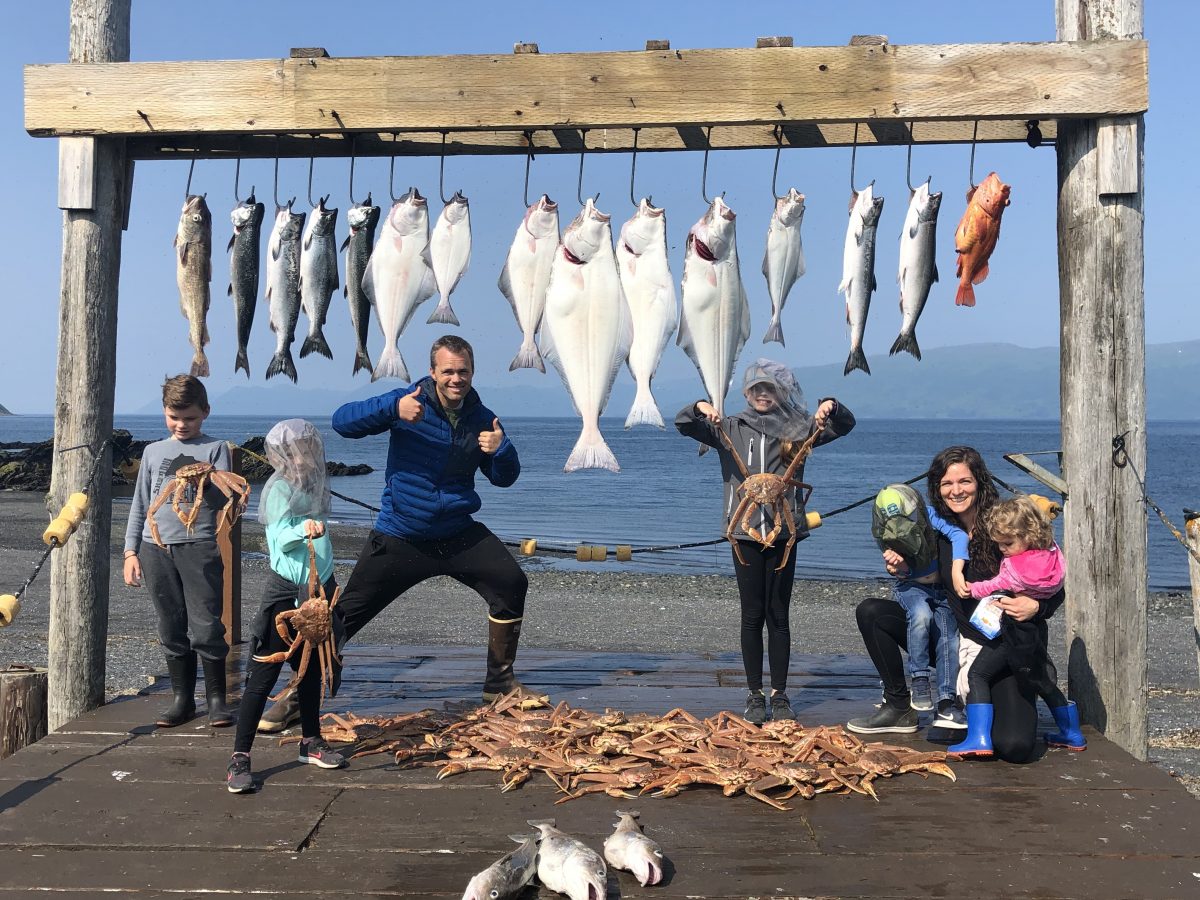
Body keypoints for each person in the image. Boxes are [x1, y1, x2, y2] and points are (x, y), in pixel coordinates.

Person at [258, 335, 527, 731]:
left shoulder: (483, 419)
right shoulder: (408, 401)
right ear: (433, 372)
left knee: (511, 581)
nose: (456, 378)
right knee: (339, 618)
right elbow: (342, 422)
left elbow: (504, 479)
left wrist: (500, 450)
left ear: (472, 372)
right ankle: (299, 696)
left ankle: (499, 684)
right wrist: (392, 408)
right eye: (448, 371)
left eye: (463, 371)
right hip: (401, 535)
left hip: (457, 533)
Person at [848, 447, 1066, 765]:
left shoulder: (1007, 523)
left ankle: (991, 698)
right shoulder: (935, 528)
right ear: (937, 487)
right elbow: (933, 578)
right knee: (872, 612)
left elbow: (1054, 580)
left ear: (980, 481)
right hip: (955, 642)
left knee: (1014, 746)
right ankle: (898, 706)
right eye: (947, 483)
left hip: (1006, 645)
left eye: (965, 481)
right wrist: (902, 567)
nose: (956, 490)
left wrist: (1036, 607)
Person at [676, 359, 855, 724]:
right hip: (743, 532)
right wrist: (700, 407)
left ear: (782, 393)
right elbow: (682, 423)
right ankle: (755, 693)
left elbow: (845, 424)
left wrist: (830, 404)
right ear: (745, 392)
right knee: (751, 614)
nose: (762, 393)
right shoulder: (727, 427)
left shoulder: (801, 428)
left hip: (785, 533)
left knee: (779, 615)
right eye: (756, 388)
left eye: (770, 388)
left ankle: (781, 693)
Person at [226, 420, 348, 793]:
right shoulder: (278, 488)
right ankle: (240, 757)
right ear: (280, 456)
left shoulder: (314, 485)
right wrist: (304, 529)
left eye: (308, 451)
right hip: (286, 591)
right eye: (294, 452)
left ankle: (310, 741)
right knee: (263, 673)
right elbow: (279, 539)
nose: (302, 459)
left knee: (310, 671)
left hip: (320, 589)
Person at [123, 374, 237, 728]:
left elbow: (225, 501)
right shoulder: (153, 452)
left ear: (205, 413)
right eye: (174, 417)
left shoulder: (216, 450)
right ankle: (182, 699)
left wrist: (212, 478)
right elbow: (141, 504)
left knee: (206, 626)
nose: (182, 424)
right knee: (171, 625)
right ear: (164, 414)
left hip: (199, 545)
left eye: (189, 417)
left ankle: (217, 700)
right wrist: (130, 552)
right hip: (154, 547)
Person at [949, 495, 1084, 757]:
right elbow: (1057, 589)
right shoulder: (1052, 555)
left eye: (1007, 544)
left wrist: (970, 589)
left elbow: (993, 585)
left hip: (1009, 632)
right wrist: (1038, 605)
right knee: (1042, 681)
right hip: (1034, 634)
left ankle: (978, 738)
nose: (1003, 549)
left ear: (1028, 535)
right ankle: (1072, 733)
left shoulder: (1015, 567)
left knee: (978, 675)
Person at [872, 484, 969, 721]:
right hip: (912, 586)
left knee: (949, 638)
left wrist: (957, 570)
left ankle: (947, 698)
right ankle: (920, 680)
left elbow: (958, 534)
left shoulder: (930, 515)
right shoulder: (885, 530)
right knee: (920, 615)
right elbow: (902, 572)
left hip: (943, 590)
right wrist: (898, 568)